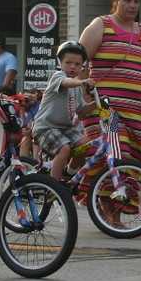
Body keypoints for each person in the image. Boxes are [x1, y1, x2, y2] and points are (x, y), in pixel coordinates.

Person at [79, 0, 141, 163]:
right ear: (116, 1)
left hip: (138, 112)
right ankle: (91, 190)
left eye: (136, 2)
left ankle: (119, 192)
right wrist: (84, 94)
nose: (132, 5)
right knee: (115, 152)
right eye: (127, 0)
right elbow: (79, 61)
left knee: (132, 163)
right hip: (105, 106)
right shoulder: (101, 25)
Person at [32, 41, 96, 184]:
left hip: (65, 129)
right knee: (64, 149)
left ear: (82, 66)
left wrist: (96, 104)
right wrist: (82, 82)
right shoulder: (58, 77)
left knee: (87, 144)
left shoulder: (77, 87)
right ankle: (54, 187)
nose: (73, 67)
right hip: (45, 127)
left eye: (77, 64)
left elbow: (81, 112)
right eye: (68, 62)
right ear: (60, 62)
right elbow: (66, 82)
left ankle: (69, 173)